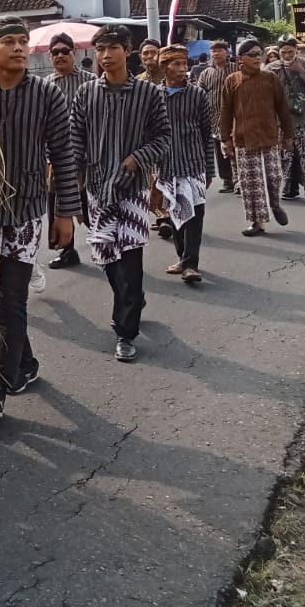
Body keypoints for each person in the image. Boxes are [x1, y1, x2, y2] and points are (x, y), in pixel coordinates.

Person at [0, 16, 79, 420]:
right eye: (8, 41)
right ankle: (27, 363)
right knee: (1, 297)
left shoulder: (48, 95)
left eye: (23, 41)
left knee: (12, 295)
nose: (18, 48)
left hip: (27, 209)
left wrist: (65, 213)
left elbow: (64, 155)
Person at [70, 24, 171, 363]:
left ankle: (125, 331)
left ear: (127, 50)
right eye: (100, 49)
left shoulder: (149, 94)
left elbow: (162, 137)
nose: (106, 55)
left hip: (132, 189)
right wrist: (76, 185)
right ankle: (133, 298)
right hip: (98, 188)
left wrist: (135, 159)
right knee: (104, 254)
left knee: (129, 257)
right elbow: (75, 141)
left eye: (112, 48)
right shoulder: (87, 94)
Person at [219, 38, 294, 237]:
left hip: (269, 136)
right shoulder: (232, 80)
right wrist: (225, 138)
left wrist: (288, 136)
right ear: (240, 58)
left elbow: (283, 109)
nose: (257, 57)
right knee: (250, 183)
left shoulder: (270, 78)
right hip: (244, 138)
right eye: (252, 54)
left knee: (274, 177)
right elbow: (225, 112)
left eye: (259, 53)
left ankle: (276, 205)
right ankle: (256, 222)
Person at [156, 46, 213, 285]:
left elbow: (206, 133)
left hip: (194, 163)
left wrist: (210, 168)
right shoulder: (154, 95)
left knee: (195, 215)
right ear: (164, 67)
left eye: (184, 64)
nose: (182, 69)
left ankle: (191, 264)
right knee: (176, 214)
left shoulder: (197, 95)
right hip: (167, 165)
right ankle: (181, 258)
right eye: (176, 64)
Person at [44, 32, 94, 270]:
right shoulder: (44, 86)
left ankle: (106, 246)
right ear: (50, 56)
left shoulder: (90, 82)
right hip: (56, 158)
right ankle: (68, 250)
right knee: (58, 204)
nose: (61, 56)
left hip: (87, 156)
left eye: (66, 51)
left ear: (75, 53)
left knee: (91, 203)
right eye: (56, 52)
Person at [265, 36, 305, 205]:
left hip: (302, 117)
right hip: (280, 119)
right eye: (283, 52)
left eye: (290, 52)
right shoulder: (271, 68)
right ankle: (290, 188)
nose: (287, 55)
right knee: (285, 154)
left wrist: (300, 71)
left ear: (296, 50)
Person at [195, 40, 240, 194]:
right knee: (220, 152)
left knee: (235, 148)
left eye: (219, 51)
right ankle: (227, 180)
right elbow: (199, 93)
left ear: (227, 53)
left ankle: (238, 180)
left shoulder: (236, 69)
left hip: (234, 117)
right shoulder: (206, 73)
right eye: (213, 51)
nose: (215, 54)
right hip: (213, 117)